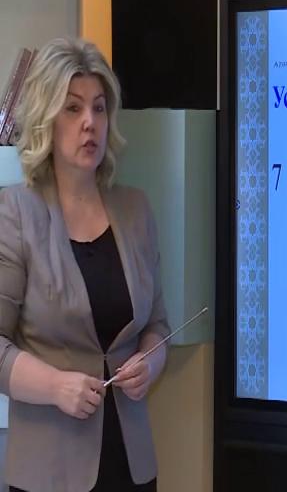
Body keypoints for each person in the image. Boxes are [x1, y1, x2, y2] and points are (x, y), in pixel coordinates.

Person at [0, 37, 170, 492]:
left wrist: (151, 363)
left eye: (98, 108)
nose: (89, 123)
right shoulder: (15, 213)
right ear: (47, 120)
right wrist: (56, 386)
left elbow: (157, 325)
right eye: (73, 109)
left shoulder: (136, 210)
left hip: (131, 467)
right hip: (49, 473)